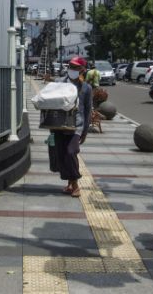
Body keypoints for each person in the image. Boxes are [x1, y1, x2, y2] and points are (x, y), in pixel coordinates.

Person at [54, 56, 92, 198]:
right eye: (71, 66)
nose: (72, 70)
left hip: (77, 125)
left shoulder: (86, 88)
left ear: (82, 69)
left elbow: (88, 110)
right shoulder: (60, 83)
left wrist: (85, 131)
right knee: (63, 155)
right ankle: (70, 183)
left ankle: (76, 185)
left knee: (71, 152)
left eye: (76, 67)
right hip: (60, 125)